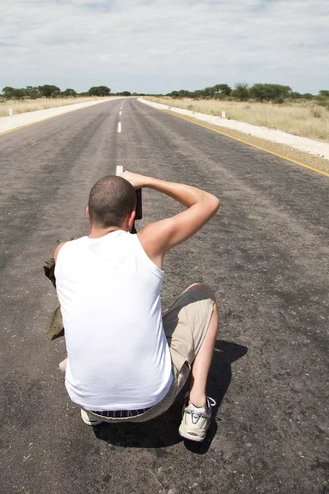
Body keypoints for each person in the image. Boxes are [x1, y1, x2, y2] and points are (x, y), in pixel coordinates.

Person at [53, 171, 220, 442]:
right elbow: (208, 202)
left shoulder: (63, 252)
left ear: (87, 213)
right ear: (131, 218)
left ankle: (95, 408)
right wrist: (148, 181)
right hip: (153, 402)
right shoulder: (147, 243)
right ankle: (197, 408)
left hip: (87, 400)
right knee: (203, 295)